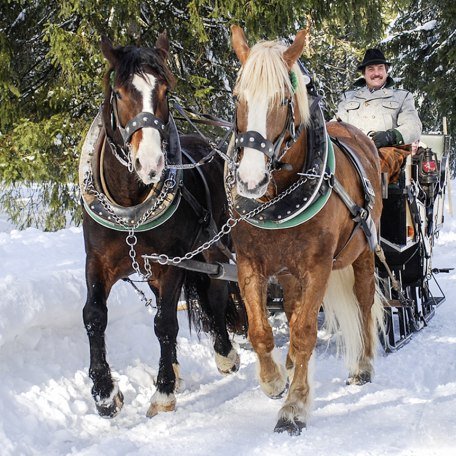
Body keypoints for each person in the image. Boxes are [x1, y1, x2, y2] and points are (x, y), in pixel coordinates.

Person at [336, 48, 422, 148]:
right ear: (364, 73)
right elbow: (336, 125)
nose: (376, 73)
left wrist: (391, 136)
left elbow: (414, 127)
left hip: (386, 153)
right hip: (352, 151)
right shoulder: (348, 97)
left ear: (386, 71)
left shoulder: (402, 97)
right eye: (371, 69)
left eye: (380, 68)